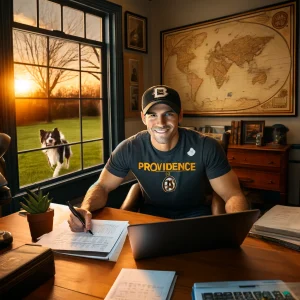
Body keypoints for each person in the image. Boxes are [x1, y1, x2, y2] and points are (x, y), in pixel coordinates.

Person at [68, 85, 248, 232]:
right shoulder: (129, 148)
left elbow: (232, 194)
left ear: (180, 116)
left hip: (195, 217)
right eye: (152, 115)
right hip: (151, 218)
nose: (161, 123)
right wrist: (85, 209)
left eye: (168, 113)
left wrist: (240, 228)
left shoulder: (206, 146)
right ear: (143, 118)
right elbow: (102, 186)